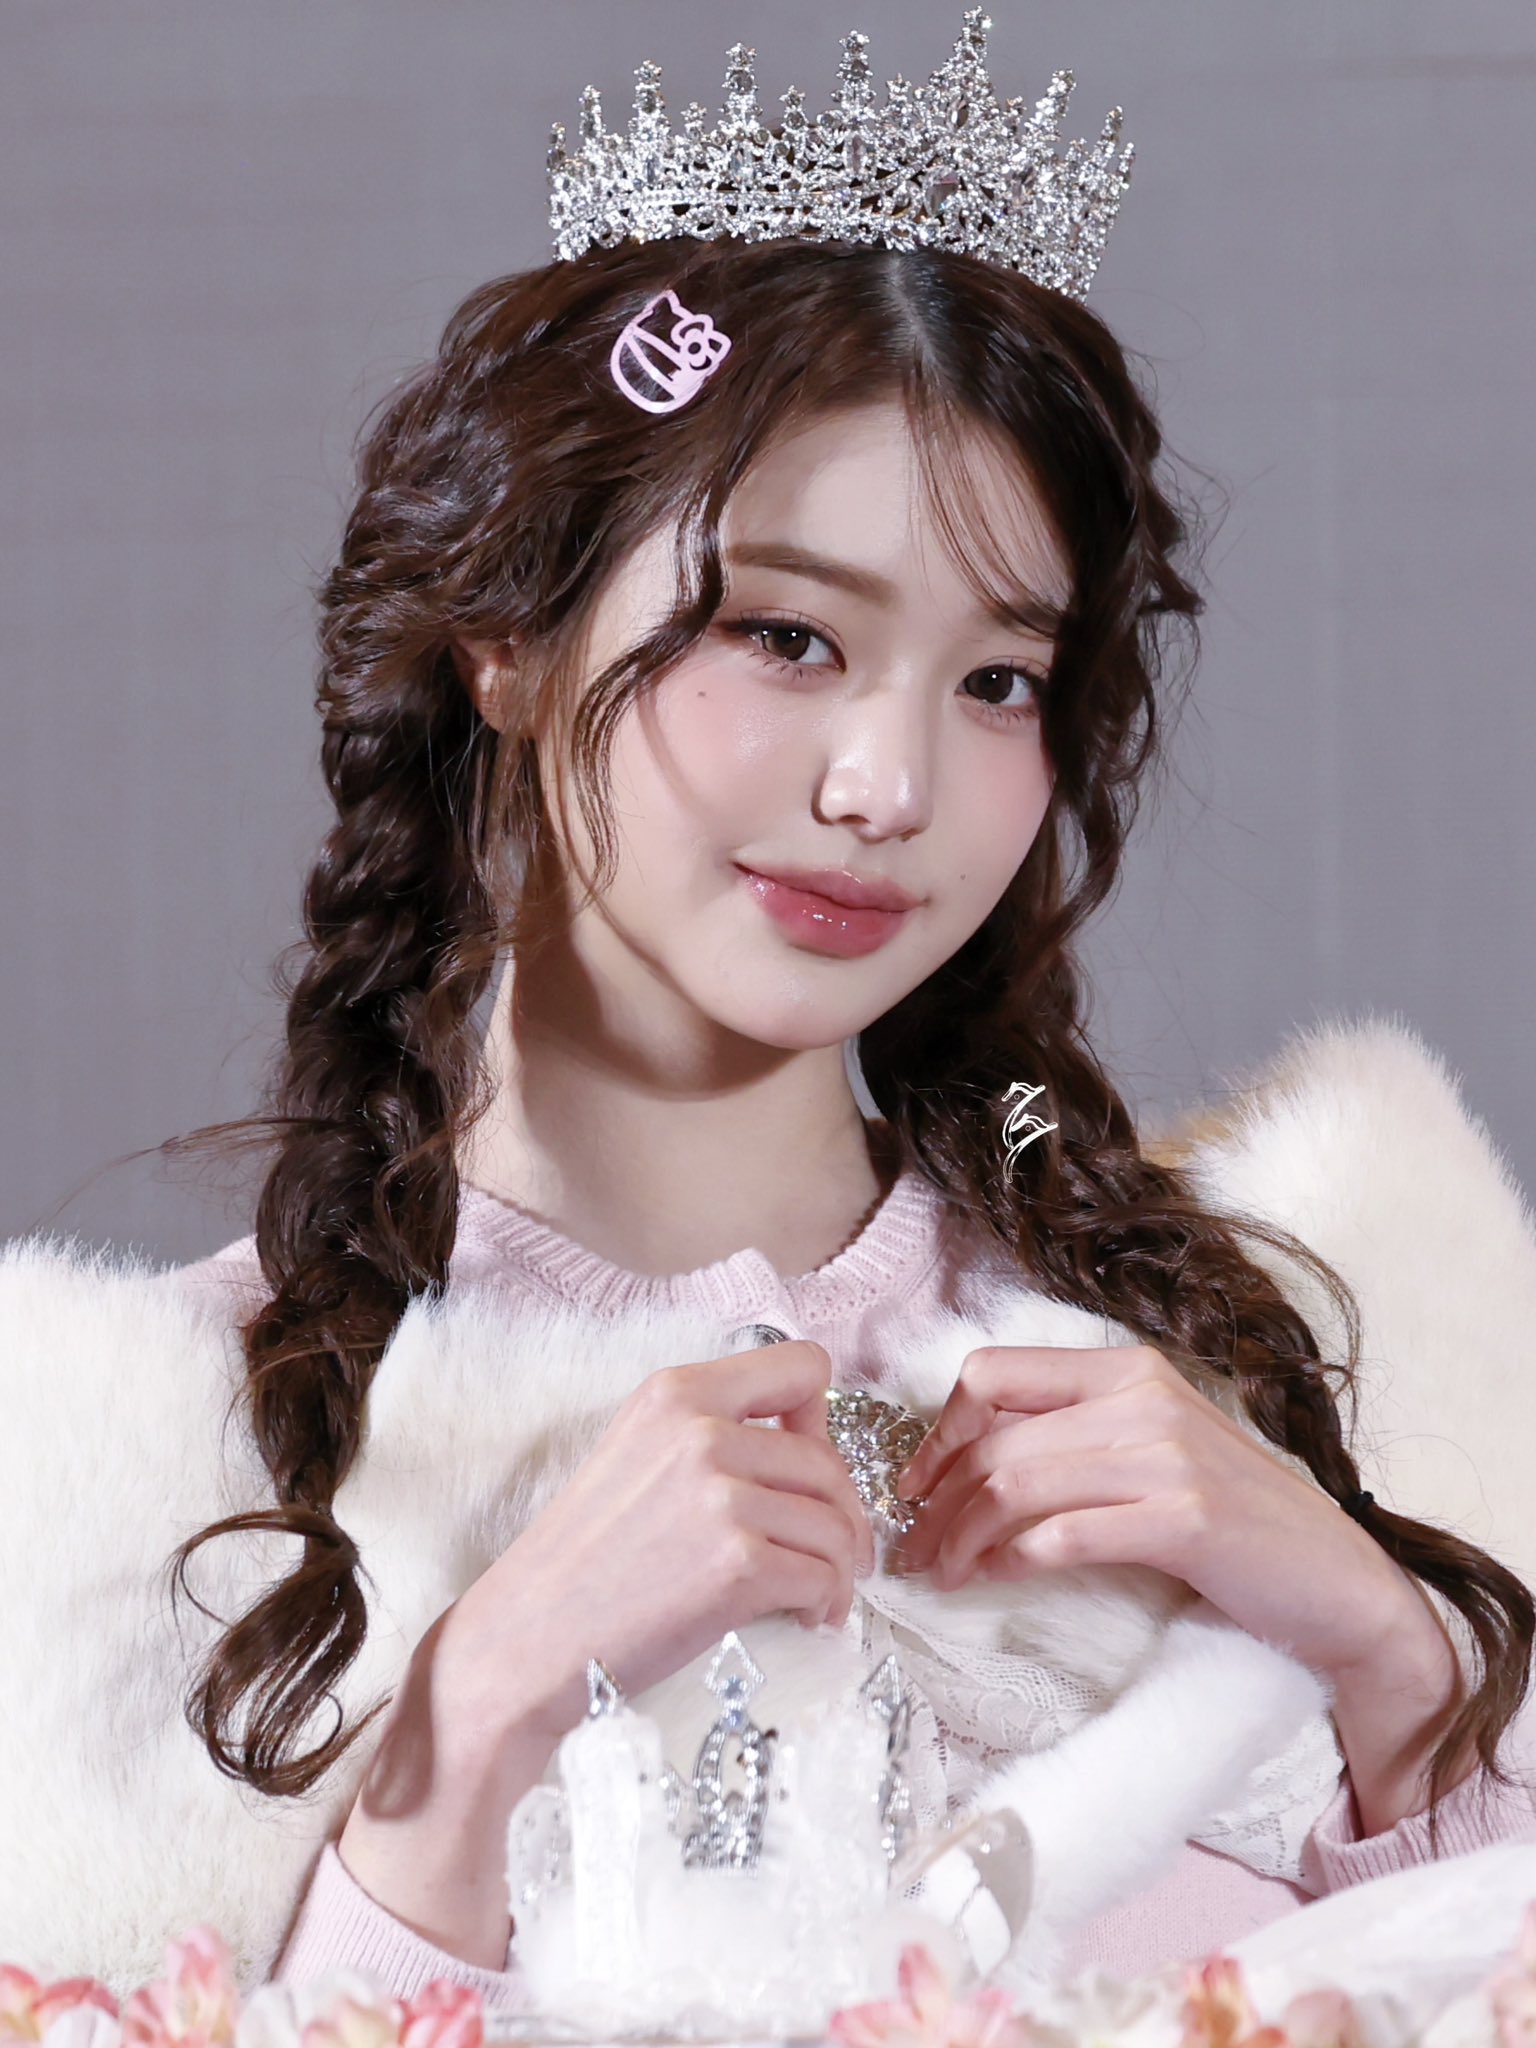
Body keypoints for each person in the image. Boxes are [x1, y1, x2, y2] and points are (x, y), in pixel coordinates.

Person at [3, 7, 1534, 2015]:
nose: (888, 785)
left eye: (997, 681)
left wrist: (1388, 1653)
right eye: (788, 637)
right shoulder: (140, 1469)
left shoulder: (1255, 1356)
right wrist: (471, 1727)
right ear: (510, 641)